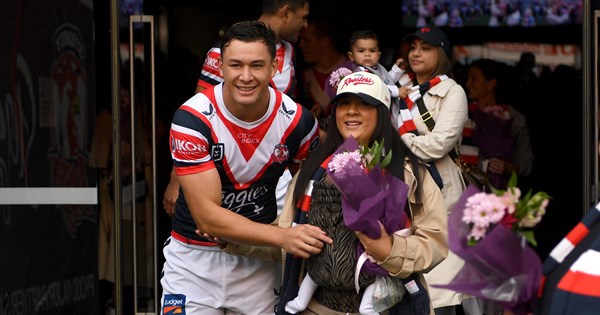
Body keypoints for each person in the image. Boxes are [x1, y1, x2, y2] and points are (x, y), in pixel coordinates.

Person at [160, 21, 332, 314]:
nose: (246, 76)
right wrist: (285, 236)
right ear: (221, 67)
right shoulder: (192, 119)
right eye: (236, 65)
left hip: (260, 264)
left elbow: (322, 187)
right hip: (192, 263)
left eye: (256, 65)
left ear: (274, 67)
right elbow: (209, 220)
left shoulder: (297, 122)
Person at [277, 71, 449, 314]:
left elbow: (435, 242)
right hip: (316, 308)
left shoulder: (409, 172)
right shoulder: (315, 168)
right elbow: (283, 232)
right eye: (344, 103)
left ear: (383, 112)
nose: (351, 111)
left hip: (387, 307)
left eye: (364, 104)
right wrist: (236, 240)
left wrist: (390, 250)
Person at [163, 0, 310, 217]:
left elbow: (290, 111)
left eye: (258, 65)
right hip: (227, 163)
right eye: (303, 17)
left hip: (273, 164)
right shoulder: (229, 49)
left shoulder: (291, 52)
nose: (306, 25)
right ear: (286, 12)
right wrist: (176, 178)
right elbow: (197, 115)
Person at [393, 26, 469, 315]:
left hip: (442, 190)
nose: (415, 53)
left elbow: (437, 145)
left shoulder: (453, 92)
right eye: (413, 47)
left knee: (441, 289)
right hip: (401, 192)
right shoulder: (400, 90)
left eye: (425, 48)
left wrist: (395, 140)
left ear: (441, 53)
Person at [463, 58, 533, 190]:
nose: (467, 84)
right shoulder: (460, 114)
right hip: (462, 191)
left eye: (474, 79)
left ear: (491, 84)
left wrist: (509, 168)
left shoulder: (514, 118)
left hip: (499, 194)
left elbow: (526, 162)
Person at [296, 15, 353, 137]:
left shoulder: (354, 72)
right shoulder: (302, 77)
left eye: (306, 40)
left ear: (325, 41)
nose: (300, 45)